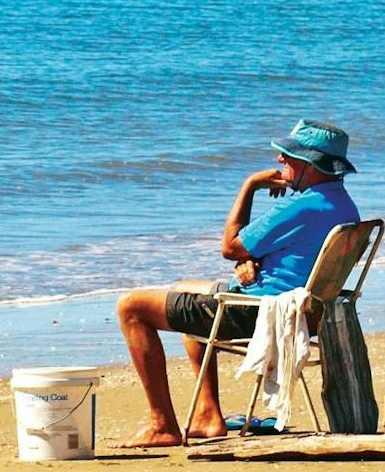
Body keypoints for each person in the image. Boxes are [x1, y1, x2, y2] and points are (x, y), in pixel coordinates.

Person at [114, 119, 361, 448]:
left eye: (288, 156)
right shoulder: (342, 204)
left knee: (131, 306)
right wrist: (252, 262)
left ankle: (162, 425)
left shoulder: (301, 205)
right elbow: (285, 252)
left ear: (310, 164)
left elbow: (230, 246)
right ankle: (208, 413)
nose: (279, 161)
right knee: (184, 288)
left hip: (258, 312)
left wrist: (249, 186)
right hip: (309, 312)